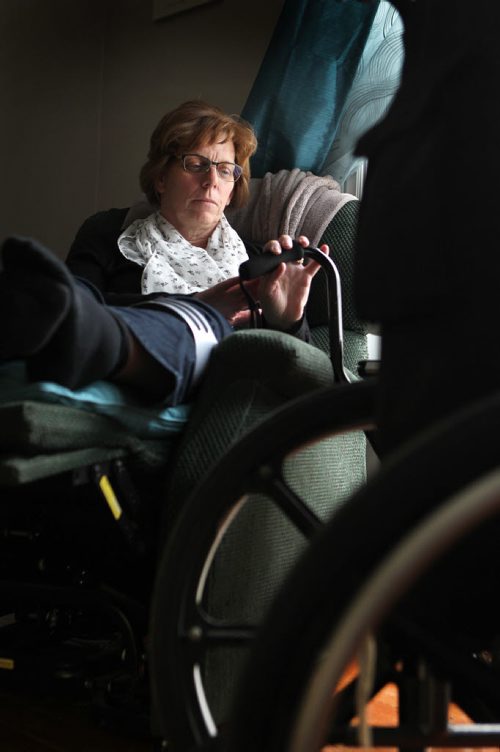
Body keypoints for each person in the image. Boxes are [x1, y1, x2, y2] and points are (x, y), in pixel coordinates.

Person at [1, 101, 328, 405]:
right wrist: (194, 307)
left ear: (232, 191)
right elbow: (75, 306)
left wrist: (286, 321)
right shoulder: (109, 233)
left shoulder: (259, 264)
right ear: (160, 178)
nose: (211, 180)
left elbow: (301, 390)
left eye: (225, 169)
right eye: (196, 164)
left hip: (221, 398)